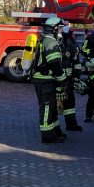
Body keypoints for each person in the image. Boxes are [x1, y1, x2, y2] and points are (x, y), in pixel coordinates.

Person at [31, 15, 67, 144]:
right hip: (44, 80)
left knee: (51, 108)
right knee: (46, 108)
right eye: (60, 28)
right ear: (53, 29)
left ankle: (55, 131)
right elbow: (55, 64)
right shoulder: (50, 42)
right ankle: (47, 136)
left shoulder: (47, 40)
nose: (61, 30)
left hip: (45, 80)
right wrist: (62, 79)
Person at [58, 21, 81, 131]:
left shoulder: (71, 39)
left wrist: (77, 75)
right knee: (56, 103)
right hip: (59, 79)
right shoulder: (57, 40)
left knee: (70, 102)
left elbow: (76, 58)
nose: (67, 27)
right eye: (64, 25)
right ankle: (54, 128)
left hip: (69, 78)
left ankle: (71, 124)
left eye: (68, 25)